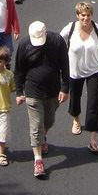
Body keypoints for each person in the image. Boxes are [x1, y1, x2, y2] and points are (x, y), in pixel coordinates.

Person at [14, 21, 70, 179]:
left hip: (53, 91)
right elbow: (19, 70)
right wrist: (19, 91)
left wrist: (65, 88)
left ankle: (43, 136)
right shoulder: (25, 45)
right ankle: (38, 160)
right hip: (33, 92)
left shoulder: (57, 41)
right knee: (36, 125)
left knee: (49, 121)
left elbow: (65, 66)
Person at [60, 1, 98, 153]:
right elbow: (58, 44)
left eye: (88, 15)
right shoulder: (70, 29)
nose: (86, 18)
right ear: (77, 16)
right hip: (74, 72)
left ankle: (93, 138)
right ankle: (76, 119)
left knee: (93, 104)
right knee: (75, 99)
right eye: (83, 15)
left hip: (94, 71)